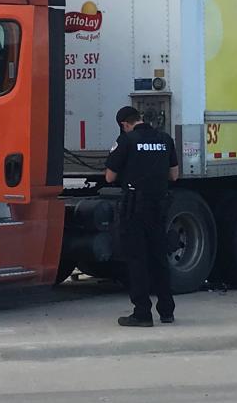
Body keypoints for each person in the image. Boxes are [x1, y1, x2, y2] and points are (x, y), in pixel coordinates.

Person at [105, 106, 179, 327]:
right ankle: (167, 311)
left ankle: (142, 313)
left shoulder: (127, 141)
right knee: (159, 258)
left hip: (134, 209)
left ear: (124, 124)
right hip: (159, 207)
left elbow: (109, 177)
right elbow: (174, 175)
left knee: (137, 260)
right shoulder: (165, 139)